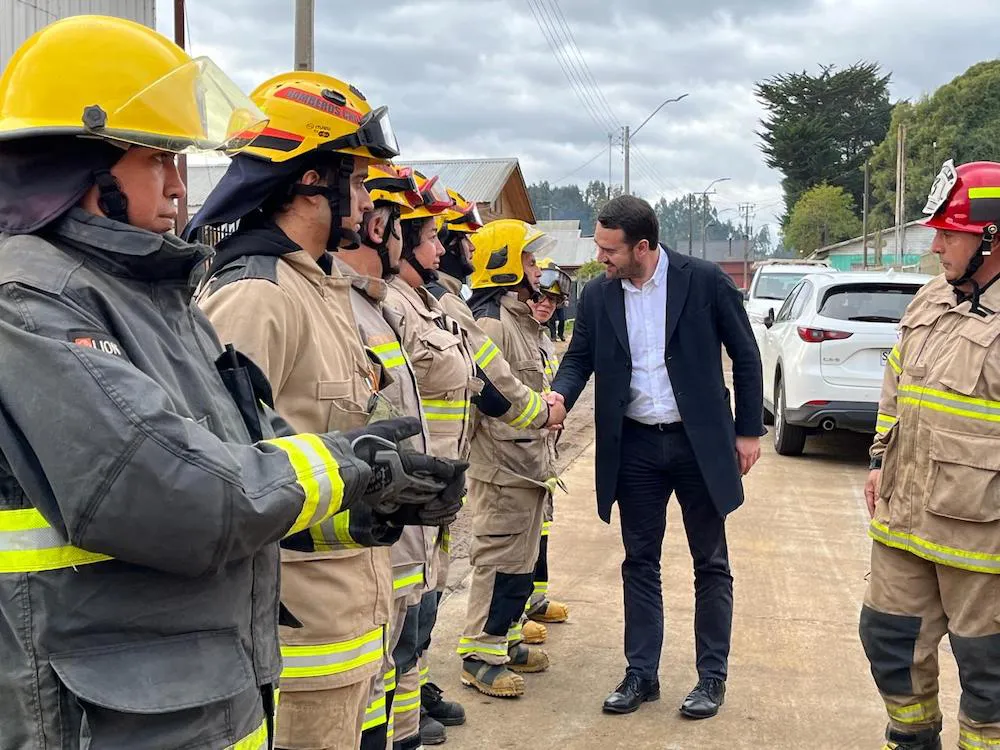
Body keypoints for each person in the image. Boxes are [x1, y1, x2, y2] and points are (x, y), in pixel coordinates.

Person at [0, 16, 464, 749]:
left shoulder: (150, 295)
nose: (182, 187)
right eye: (158, 159)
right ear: (79, 165)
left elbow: (251, 448)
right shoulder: (29, 301)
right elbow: (174, 491)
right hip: (110, 715)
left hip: (191, 693)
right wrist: (347, 467)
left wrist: (366, 499)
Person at [187, 72, 465, 750]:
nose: (370, 200)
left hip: (348, 616)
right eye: (359, 180)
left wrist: (392, 490)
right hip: (296, 636)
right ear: (312, 179)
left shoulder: (320, 288)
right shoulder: (255, 297)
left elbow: (323, 442)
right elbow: (223, 481)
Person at [550, 195, 763, 718]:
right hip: (636, 445)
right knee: (639, 561)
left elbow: (746, 353)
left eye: (608, 249)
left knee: (710, 563)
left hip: (698, 443)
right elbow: (578, 359)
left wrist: (748, 432)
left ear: (642, 246)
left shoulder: (704, 280)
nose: (601, 258)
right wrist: (558, 398)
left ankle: (711, 677)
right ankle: (641, 673)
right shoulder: (600, 296)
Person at [860, 160, 1000, 750]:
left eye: (949, 232)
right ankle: (913, 741)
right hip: (904, 518)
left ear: (991, 238)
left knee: (989, 676)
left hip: (981, 541)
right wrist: (877, 457)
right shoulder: (933, 297)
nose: (935, 243)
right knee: (889, 642)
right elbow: (897, 382)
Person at [457, 219, 562, 699]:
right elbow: (485, 402)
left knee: (520, 566)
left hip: (527, 468)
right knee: (497, 565)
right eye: (526, 258)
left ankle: (507, 641)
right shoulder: (491, 323)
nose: (536, 268)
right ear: (501, 264)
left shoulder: (519, 319)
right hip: (501, 470)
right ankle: (480, 655)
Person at [524, 258, 573, 627]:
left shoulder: (542, 340)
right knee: (519, 539)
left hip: (545, 450)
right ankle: (517, 610)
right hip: (521, 451)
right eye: (541, 297)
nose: (546, 305)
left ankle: (535, 598)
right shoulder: (511, 334)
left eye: (554, 303)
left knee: (541, 528)